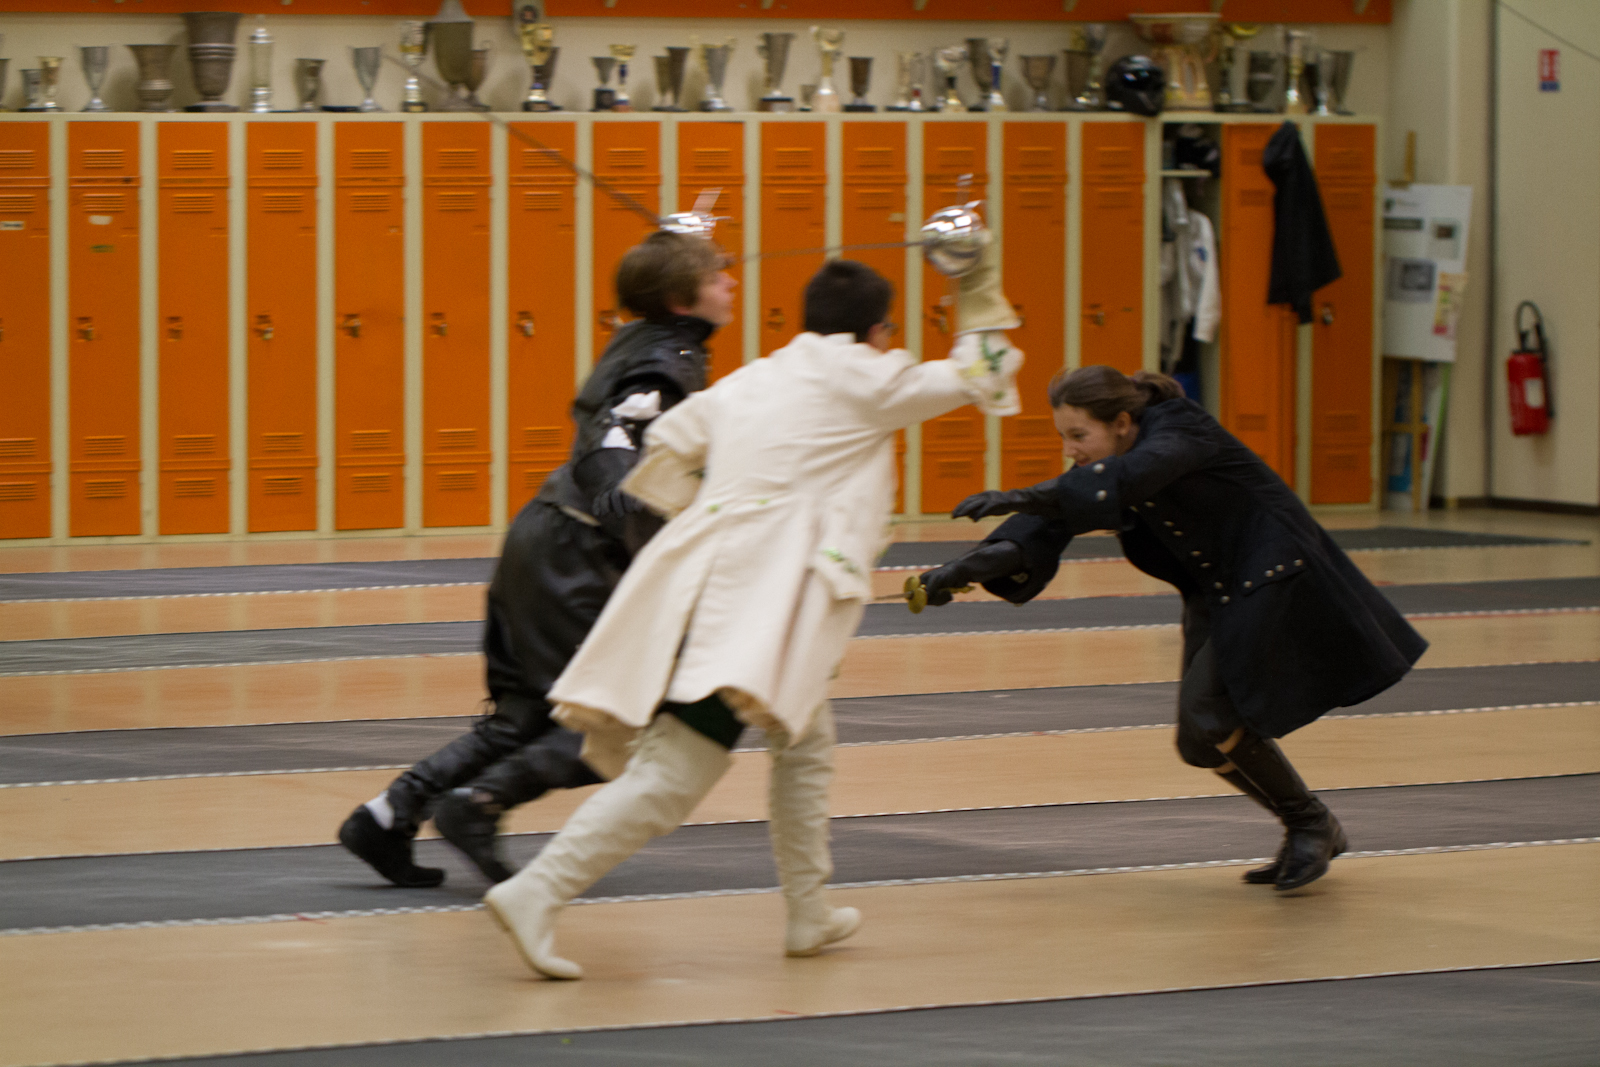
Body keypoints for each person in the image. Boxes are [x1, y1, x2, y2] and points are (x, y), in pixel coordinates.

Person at [482, 251, 1024, 979]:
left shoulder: (757, 376)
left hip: (706, 579)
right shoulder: (862, 375)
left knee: (805, 737)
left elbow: (668, 441)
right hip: (752, 606)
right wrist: (976, 279)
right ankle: (537, 890)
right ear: (878, 330)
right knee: (677, 772)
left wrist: (727, 507)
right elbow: (981, 370)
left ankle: (809, 910)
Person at [913, 365, 1427, 892]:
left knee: (1209, 711)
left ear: (1121, 422)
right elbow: (1049, 523)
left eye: (1078, 435)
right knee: (1198, 743)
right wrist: (966, 568)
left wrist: (1021, 494)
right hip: (1216, 590)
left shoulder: (1180, 428)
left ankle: (1309, 824)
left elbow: (1129, 477)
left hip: (1271, 575)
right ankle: (1312, 826)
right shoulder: (1108, 464)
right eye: (1063, 437)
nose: (1069, 449)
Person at [338, 231, 737, 887]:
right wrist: (642, 533)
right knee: (614, 718)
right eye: (717, 275)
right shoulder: (664, 359)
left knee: (527, 714)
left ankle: (385, 817)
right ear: (680, 297)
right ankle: (478, 804)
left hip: (545, 533)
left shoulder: (649, 341)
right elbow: (615, 443)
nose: (731, 281)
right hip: (577, 552)